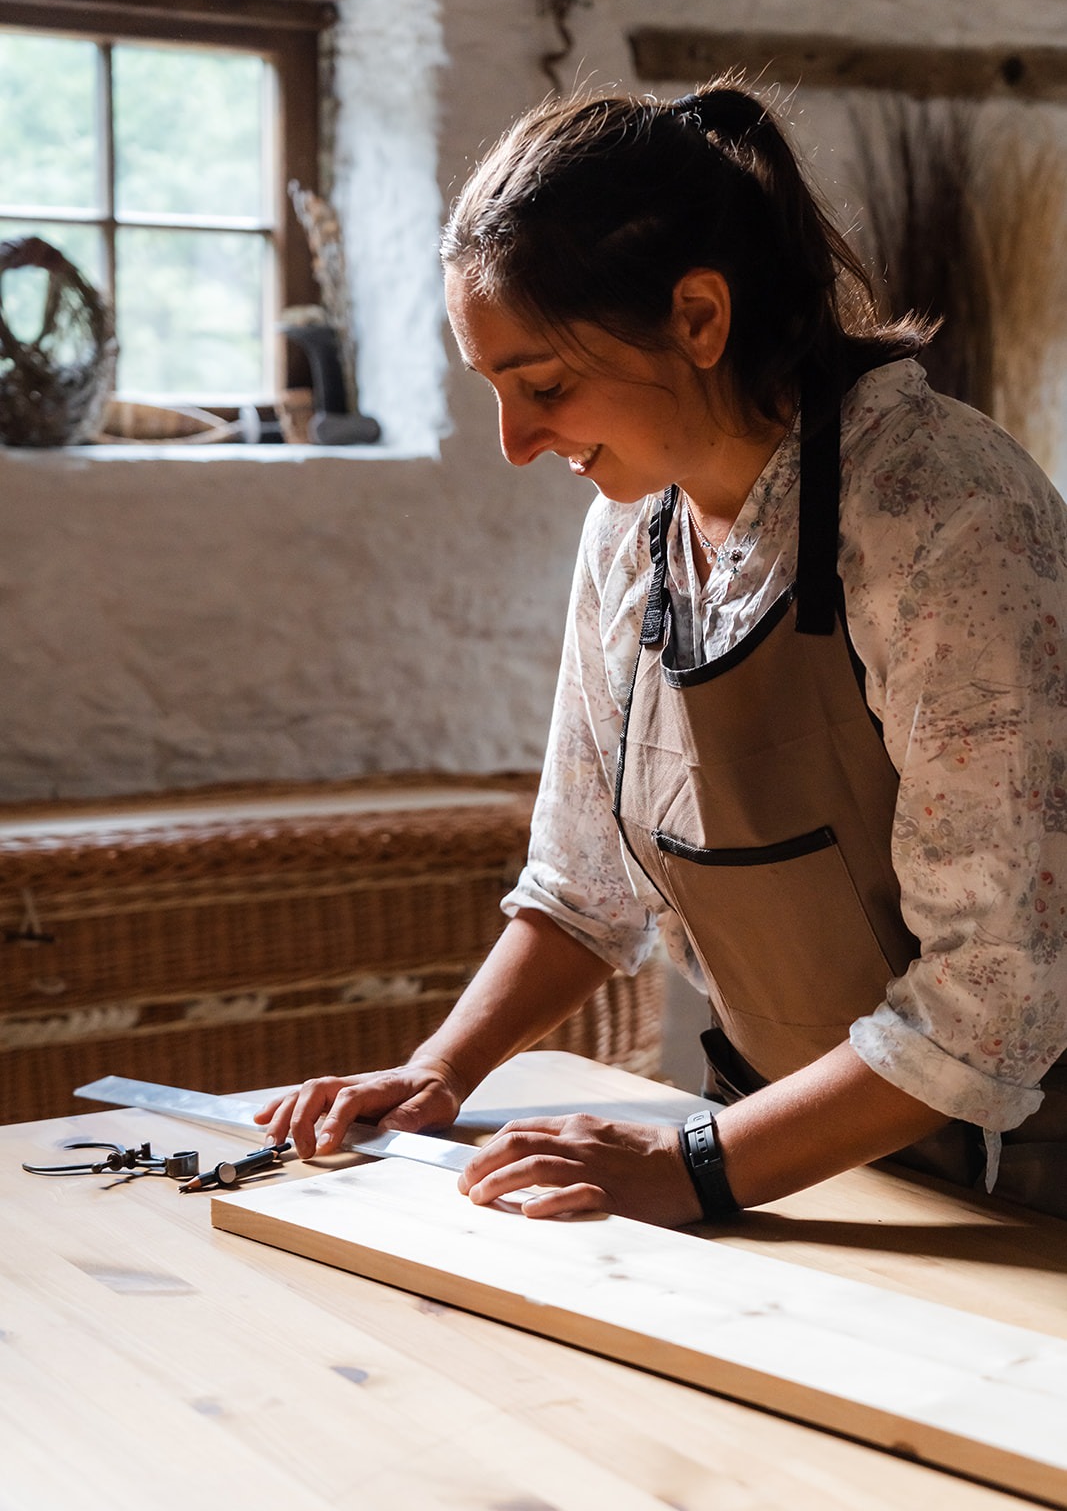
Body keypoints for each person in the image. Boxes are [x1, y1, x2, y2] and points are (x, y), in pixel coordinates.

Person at [258, 76, 1067, 1226]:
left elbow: (992, 998)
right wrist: (438, 1069)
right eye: (493, 389)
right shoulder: (633, 533)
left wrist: (689, 1168)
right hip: (799, 1157)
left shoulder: (942, 515)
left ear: (697, 317)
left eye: (542, 384)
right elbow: (585, 887)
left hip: (1024, 1179)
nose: (515, 441)